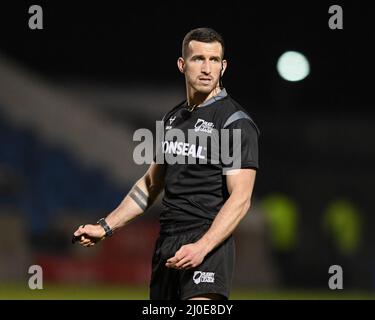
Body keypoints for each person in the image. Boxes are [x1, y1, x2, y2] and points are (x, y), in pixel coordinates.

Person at [73, 27, 259, 300]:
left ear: (224, 66)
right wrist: (106, 226)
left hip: (207, 244)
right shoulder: (173, 119)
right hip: (167, 243)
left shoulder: (234, 122)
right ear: (182, 65)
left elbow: (241, 198)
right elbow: (150, 185)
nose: (207, 68)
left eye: (214, 60)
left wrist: (202, 247)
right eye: (198, 59)